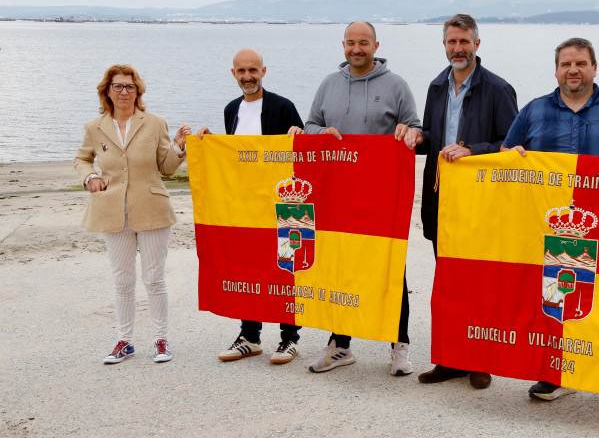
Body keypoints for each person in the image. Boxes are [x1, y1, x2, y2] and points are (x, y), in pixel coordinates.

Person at [501, 37, 599, 401]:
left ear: (594, 67)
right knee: (556, 301)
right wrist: (512, 155)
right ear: (556, 69)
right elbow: (506, 154)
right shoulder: (533, 110)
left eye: (580, 63)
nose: (573, 70)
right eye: (566, 64)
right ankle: (556, 374)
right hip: (550, 229)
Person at [295, 21, 422, 376]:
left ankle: (399, 344)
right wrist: (322, 132)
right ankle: (340, 345)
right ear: (343, 45)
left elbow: (417, 128)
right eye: (351, 43)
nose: (356, 49)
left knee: (390, 267)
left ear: (375, 45)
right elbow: (309, 126)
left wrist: (409, 132)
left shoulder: (396, 85)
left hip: (380, 194)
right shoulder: (328, 84)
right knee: (340, 267)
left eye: (363, 43)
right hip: (337, 195)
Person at [415, 14, 518, 390]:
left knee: (478, 283)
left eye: (464, 42)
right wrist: (415, 135)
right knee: (448, 283)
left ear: (477, 44)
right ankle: (451, 358)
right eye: (451, 42)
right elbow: (431, 135)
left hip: (480, 204)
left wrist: (473, 150)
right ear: (444, 45)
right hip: (441, 200)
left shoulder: (498, 88)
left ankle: (480, 360)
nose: (457, 49)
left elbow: (512, 144)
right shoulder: (435, 86)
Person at [75, 64, 189, 364]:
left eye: (129, 86)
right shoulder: (93, 127)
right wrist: (89, 178)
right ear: (107, 91)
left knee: (154, 278)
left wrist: (178, 147)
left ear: (138, 91)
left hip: (152, 209)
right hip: (112, 212)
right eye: (118, 86)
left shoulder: (155, 123)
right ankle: (124, 341)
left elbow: (166, 167)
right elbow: (82, 159)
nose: (124, 92)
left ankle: (161, 340)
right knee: (122, 281)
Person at [197, 48, 305, 365]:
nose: (248, 76)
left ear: (263, 71)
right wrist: (208, 141)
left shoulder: (284, 106)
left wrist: (299, 134)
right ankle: (250, 336)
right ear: (233, 74)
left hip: (282, 204)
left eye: (253, 70)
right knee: (246, 266)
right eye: (241, 71)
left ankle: (289, 339)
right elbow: (234, 155)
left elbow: (302, 150)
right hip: (245, 205)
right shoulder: (232, 109)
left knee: (286, 267)